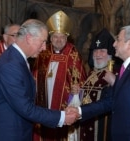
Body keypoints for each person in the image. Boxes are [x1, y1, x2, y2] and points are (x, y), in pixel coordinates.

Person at [0, 19, 79, 141]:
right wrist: (62, 117)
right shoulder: (10, 65)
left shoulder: (18, 59)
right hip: (6, 135)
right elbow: (25, 108)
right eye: (43, 42)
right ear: (29, 38)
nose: (44, 48)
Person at [67, 25, 130, 141]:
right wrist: (79, 111)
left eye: (118, 40)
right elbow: (109, 102)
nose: (114, 44)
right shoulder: (126, 69)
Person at [32, 10, 87, 141]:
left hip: (64, 105)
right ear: (50, 38)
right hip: (43, 102)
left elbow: (82, 81)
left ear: (67, 38)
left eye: (62, 37)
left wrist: (78, 89)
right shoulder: (42, 53)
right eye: (56, 37)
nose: (59, 40)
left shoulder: (73, 55)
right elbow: (34, 76)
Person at [70, 28, 122, 141]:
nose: (98, 54)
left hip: (104, 126)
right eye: (95, 50)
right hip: (86, 121)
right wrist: (79, 92)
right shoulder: (92, 72)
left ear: (110, 53)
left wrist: (114, 83)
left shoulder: (116, 73)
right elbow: (89, 96)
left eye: (102, 50)